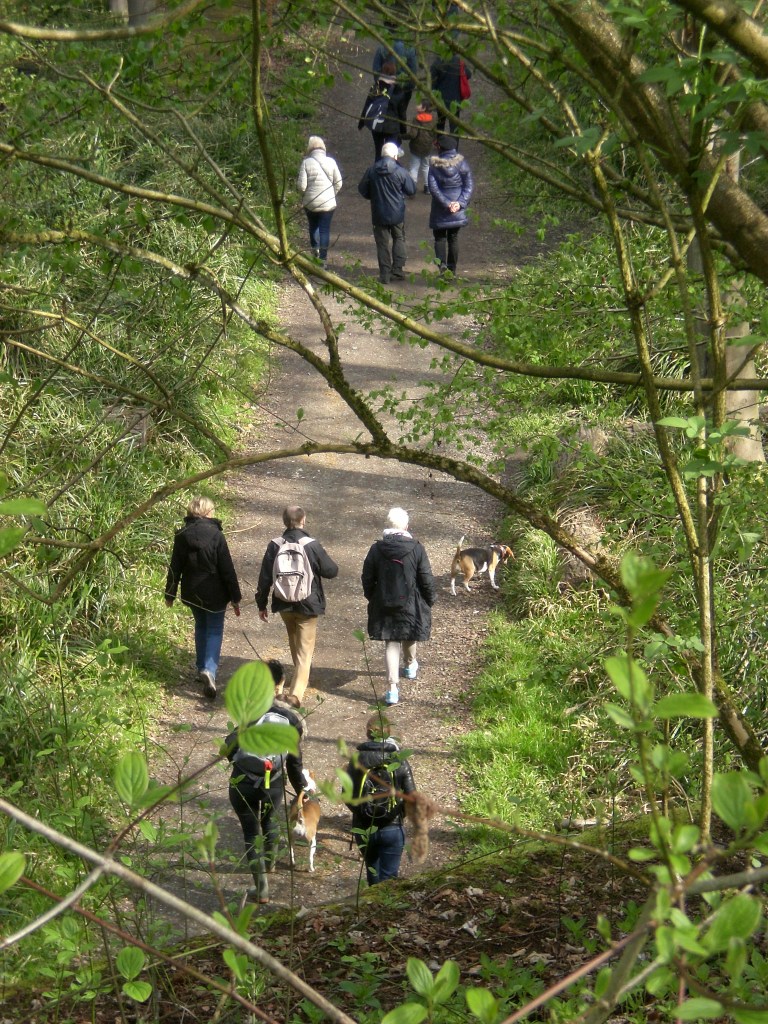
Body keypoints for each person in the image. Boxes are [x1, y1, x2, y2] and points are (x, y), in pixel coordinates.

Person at [226, 660, 313, 903]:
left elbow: (230, 747)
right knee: (271, 820)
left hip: (243, 781)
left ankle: (261, 887)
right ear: (280, 684)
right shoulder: (292, 720)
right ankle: (271, 861)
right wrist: (301, 792)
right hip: (272, 781)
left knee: (251, 830)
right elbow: (294, 764)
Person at [255, 505, 338, 704]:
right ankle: (295, 696)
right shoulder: (311, 545)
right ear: (304, 520)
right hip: (308, 604)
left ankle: (298, 680)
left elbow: (265, 577)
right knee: (304, 651)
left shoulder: (275, 545)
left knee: (295, 642)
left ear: (284, 521)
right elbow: (331, 571)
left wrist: (261, 604)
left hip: (283, 603)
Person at [165, 496, 241, 700]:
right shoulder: (216, 535)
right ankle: (209, 669)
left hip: (191, 591)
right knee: (214, 628)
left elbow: (175, 567)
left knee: (200, 625)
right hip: (215, 592)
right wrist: (235, 596)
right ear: (208, 513)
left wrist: (169, 594)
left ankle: (201, 668)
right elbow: (227, 569)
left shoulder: (182, 535)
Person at [361, 506, 436, 706]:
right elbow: (426, 578)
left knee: (391, 642)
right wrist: (430, 599)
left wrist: (373, 597)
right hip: (410, 602)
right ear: (406, 526)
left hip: (384, 601)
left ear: (388, 525)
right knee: (410, 633)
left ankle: (392, 689)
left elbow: (367, 577)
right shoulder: (417, 548)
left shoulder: (376, 549)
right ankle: (410, 665)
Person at [345, 712, 416, 885]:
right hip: (392, 827)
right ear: (388, 733)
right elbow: (412, 797)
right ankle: (386, 909)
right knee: (389, 879)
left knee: (373, 874)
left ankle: (371, 907)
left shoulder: (355, 760)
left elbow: (347, 796)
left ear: (367, 733)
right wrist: (398, 814)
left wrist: (361, 813)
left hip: (364, 828)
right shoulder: (398, 760)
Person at [358, 142, 416, 285]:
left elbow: (362, 189)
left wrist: (374, 196)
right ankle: (397, 269)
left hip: (378, 212)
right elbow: (411, 189)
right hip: (397, 212)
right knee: (399, 238)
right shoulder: (400, 171)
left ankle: (384, 273)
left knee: (382, 243)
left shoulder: (371, 170)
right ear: (395, 155)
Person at [427, 135, 474, 276]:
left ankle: (442, 267)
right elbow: (469, 185)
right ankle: (452, 269)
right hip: (457, 209)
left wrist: (447, 204)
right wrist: (460, 203)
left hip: (440, 208)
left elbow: (433, 188)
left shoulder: (434, 166)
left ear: (440, 148)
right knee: (453, 238)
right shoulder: (462, 164)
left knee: (439, 238)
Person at [297, 135, 342, 267]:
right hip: (328, 203)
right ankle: (323, 259)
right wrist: (332, 194)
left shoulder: (306, 163)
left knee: (313, 226)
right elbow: (339, 182)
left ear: (309, 149)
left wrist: (305, 196)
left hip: (311, 202)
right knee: (324, 229)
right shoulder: (331, 162)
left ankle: (315, 250)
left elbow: (301, 186)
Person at [372, 40, 419, 125]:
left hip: (385, 88)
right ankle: (400, 133)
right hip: (403, 90)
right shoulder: (410, 49)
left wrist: (382, 83)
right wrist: (408, 87)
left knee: (384, 111)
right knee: (401, 113)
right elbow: (413, 74)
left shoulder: (382, 47)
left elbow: (376, 72)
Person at [358, 70, 401, 160]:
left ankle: (377, 171)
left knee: (379, 151)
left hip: (376, 124)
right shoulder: (397, 89)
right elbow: (401, 110)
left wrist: (362, 122)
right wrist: (402, 129)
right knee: (391, 152)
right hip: (392, 126)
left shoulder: (375, 86)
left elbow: (368, 104)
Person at [430, 52, 471, 132]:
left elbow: (432, 83)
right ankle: (454, 144)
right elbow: (468, 74)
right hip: (455, 99)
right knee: (454, 126)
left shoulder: (437, 62)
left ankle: (440, 142)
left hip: (440, 99)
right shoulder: (458, 61)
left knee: (440, 123)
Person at [404, 101, 436, 194]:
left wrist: (403, 136)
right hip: (427, 148)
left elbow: (413, 134)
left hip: (416, 147)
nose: (417, 105)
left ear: (424, 108)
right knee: (426, 167)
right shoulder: (433, 119)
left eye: (419, 104)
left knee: (414, 167)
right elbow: (434, 133)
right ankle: (427, 187)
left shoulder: (416, 119)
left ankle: (412, 188)